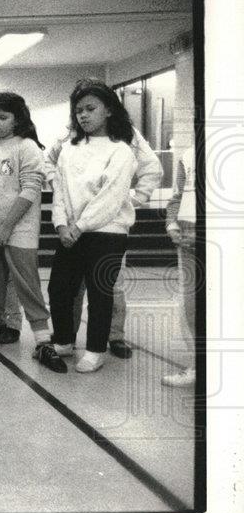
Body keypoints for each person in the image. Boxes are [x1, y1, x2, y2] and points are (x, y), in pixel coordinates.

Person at [43, 81, 162, 359]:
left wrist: (132, 199)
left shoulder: (125, 141)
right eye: (79, 110)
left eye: (90, 108)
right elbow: (55, 176)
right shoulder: (69, 142)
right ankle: (65, 338)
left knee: (105, 290)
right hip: (73, 229)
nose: (83, 115)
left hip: (107, 228)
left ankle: (108, 340)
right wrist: (63, 224)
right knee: (64, 289)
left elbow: (149, 170)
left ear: (108, 110)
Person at [0, 92, 68, 373]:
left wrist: (6, 228)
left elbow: (30, 189)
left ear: (18, 120)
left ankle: (43, 341)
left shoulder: (27, 147)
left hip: (18, 231)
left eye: (3, 117)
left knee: (26, 285)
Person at [161, 142, 198, 387]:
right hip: (188, 238)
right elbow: (178, 196)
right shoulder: (189, 153)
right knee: (193, 305)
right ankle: (200, 365)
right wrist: (173, 225)